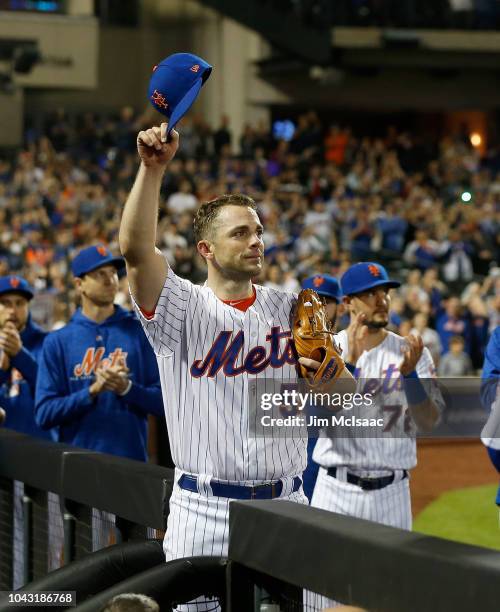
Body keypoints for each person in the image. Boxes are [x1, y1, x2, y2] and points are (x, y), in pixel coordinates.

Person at [119, 122, 352, 611]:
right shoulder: (180, 306)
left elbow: (343, 400)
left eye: (259, 232)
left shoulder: (293, 308)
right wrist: (152, 168)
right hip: (204, 508)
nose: (256, 241)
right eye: (240, 233)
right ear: (206, 249)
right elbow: (137, 250)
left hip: (287, 504)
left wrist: (325, 366)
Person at [306, 261, 442, 611]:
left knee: (390, 598)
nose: (381, 300)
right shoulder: (326, 348)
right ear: (349, 302)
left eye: (385, 292)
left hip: (392, 493)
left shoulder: (413, 352)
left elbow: (429, 421)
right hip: (336, 491)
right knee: (323, 599)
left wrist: (411, 378)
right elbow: (316, 415)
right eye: (370, 294)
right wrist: (347, 362)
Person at [35, 245, 164, 461]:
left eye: (113, 273)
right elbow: (44, 414)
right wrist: (91, 391)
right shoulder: (57, 341)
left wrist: (127, 388)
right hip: (77, 467)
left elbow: (164, 404)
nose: (110, 280)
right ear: (79, 284)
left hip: (131, 466)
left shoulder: (140, 332)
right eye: (99, 274)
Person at [299, 274, 342, 501]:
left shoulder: (349, 348)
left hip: (332, 450)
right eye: (311, 301)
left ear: (340, 308)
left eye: (326, 302)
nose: (319, 308)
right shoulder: (279, 343)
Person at [0, 275, 49, 439]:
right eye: (5, 303)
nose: (13, 311)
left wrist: (20, 355)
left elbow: (53, 390)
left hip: (39, 447)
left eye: (19, 303)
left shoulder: (48, 343)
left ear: (28, 307)